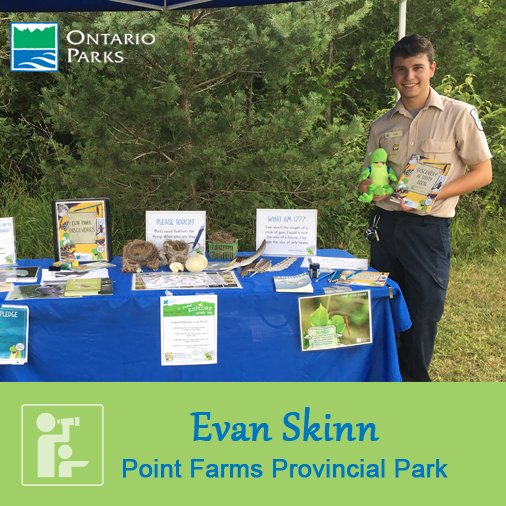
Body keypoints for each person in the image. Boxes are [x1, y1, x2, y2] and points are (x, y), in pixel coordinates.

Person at [360, 34, 492, 382]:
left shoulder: (459, 114)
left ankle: (415, 388)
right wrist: (367, 186)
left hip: (427, 232)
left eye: (418, 67)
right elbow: (371, 175)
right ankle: (385, 381)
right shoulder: (382, 124)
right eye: (401, 69)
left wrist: (437, 194)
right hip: (385, 227)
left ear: (431, 68)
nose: (409, 77)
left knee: (422, 317)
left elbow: (483, 172)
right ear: (392, 74)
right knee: (383, 310)